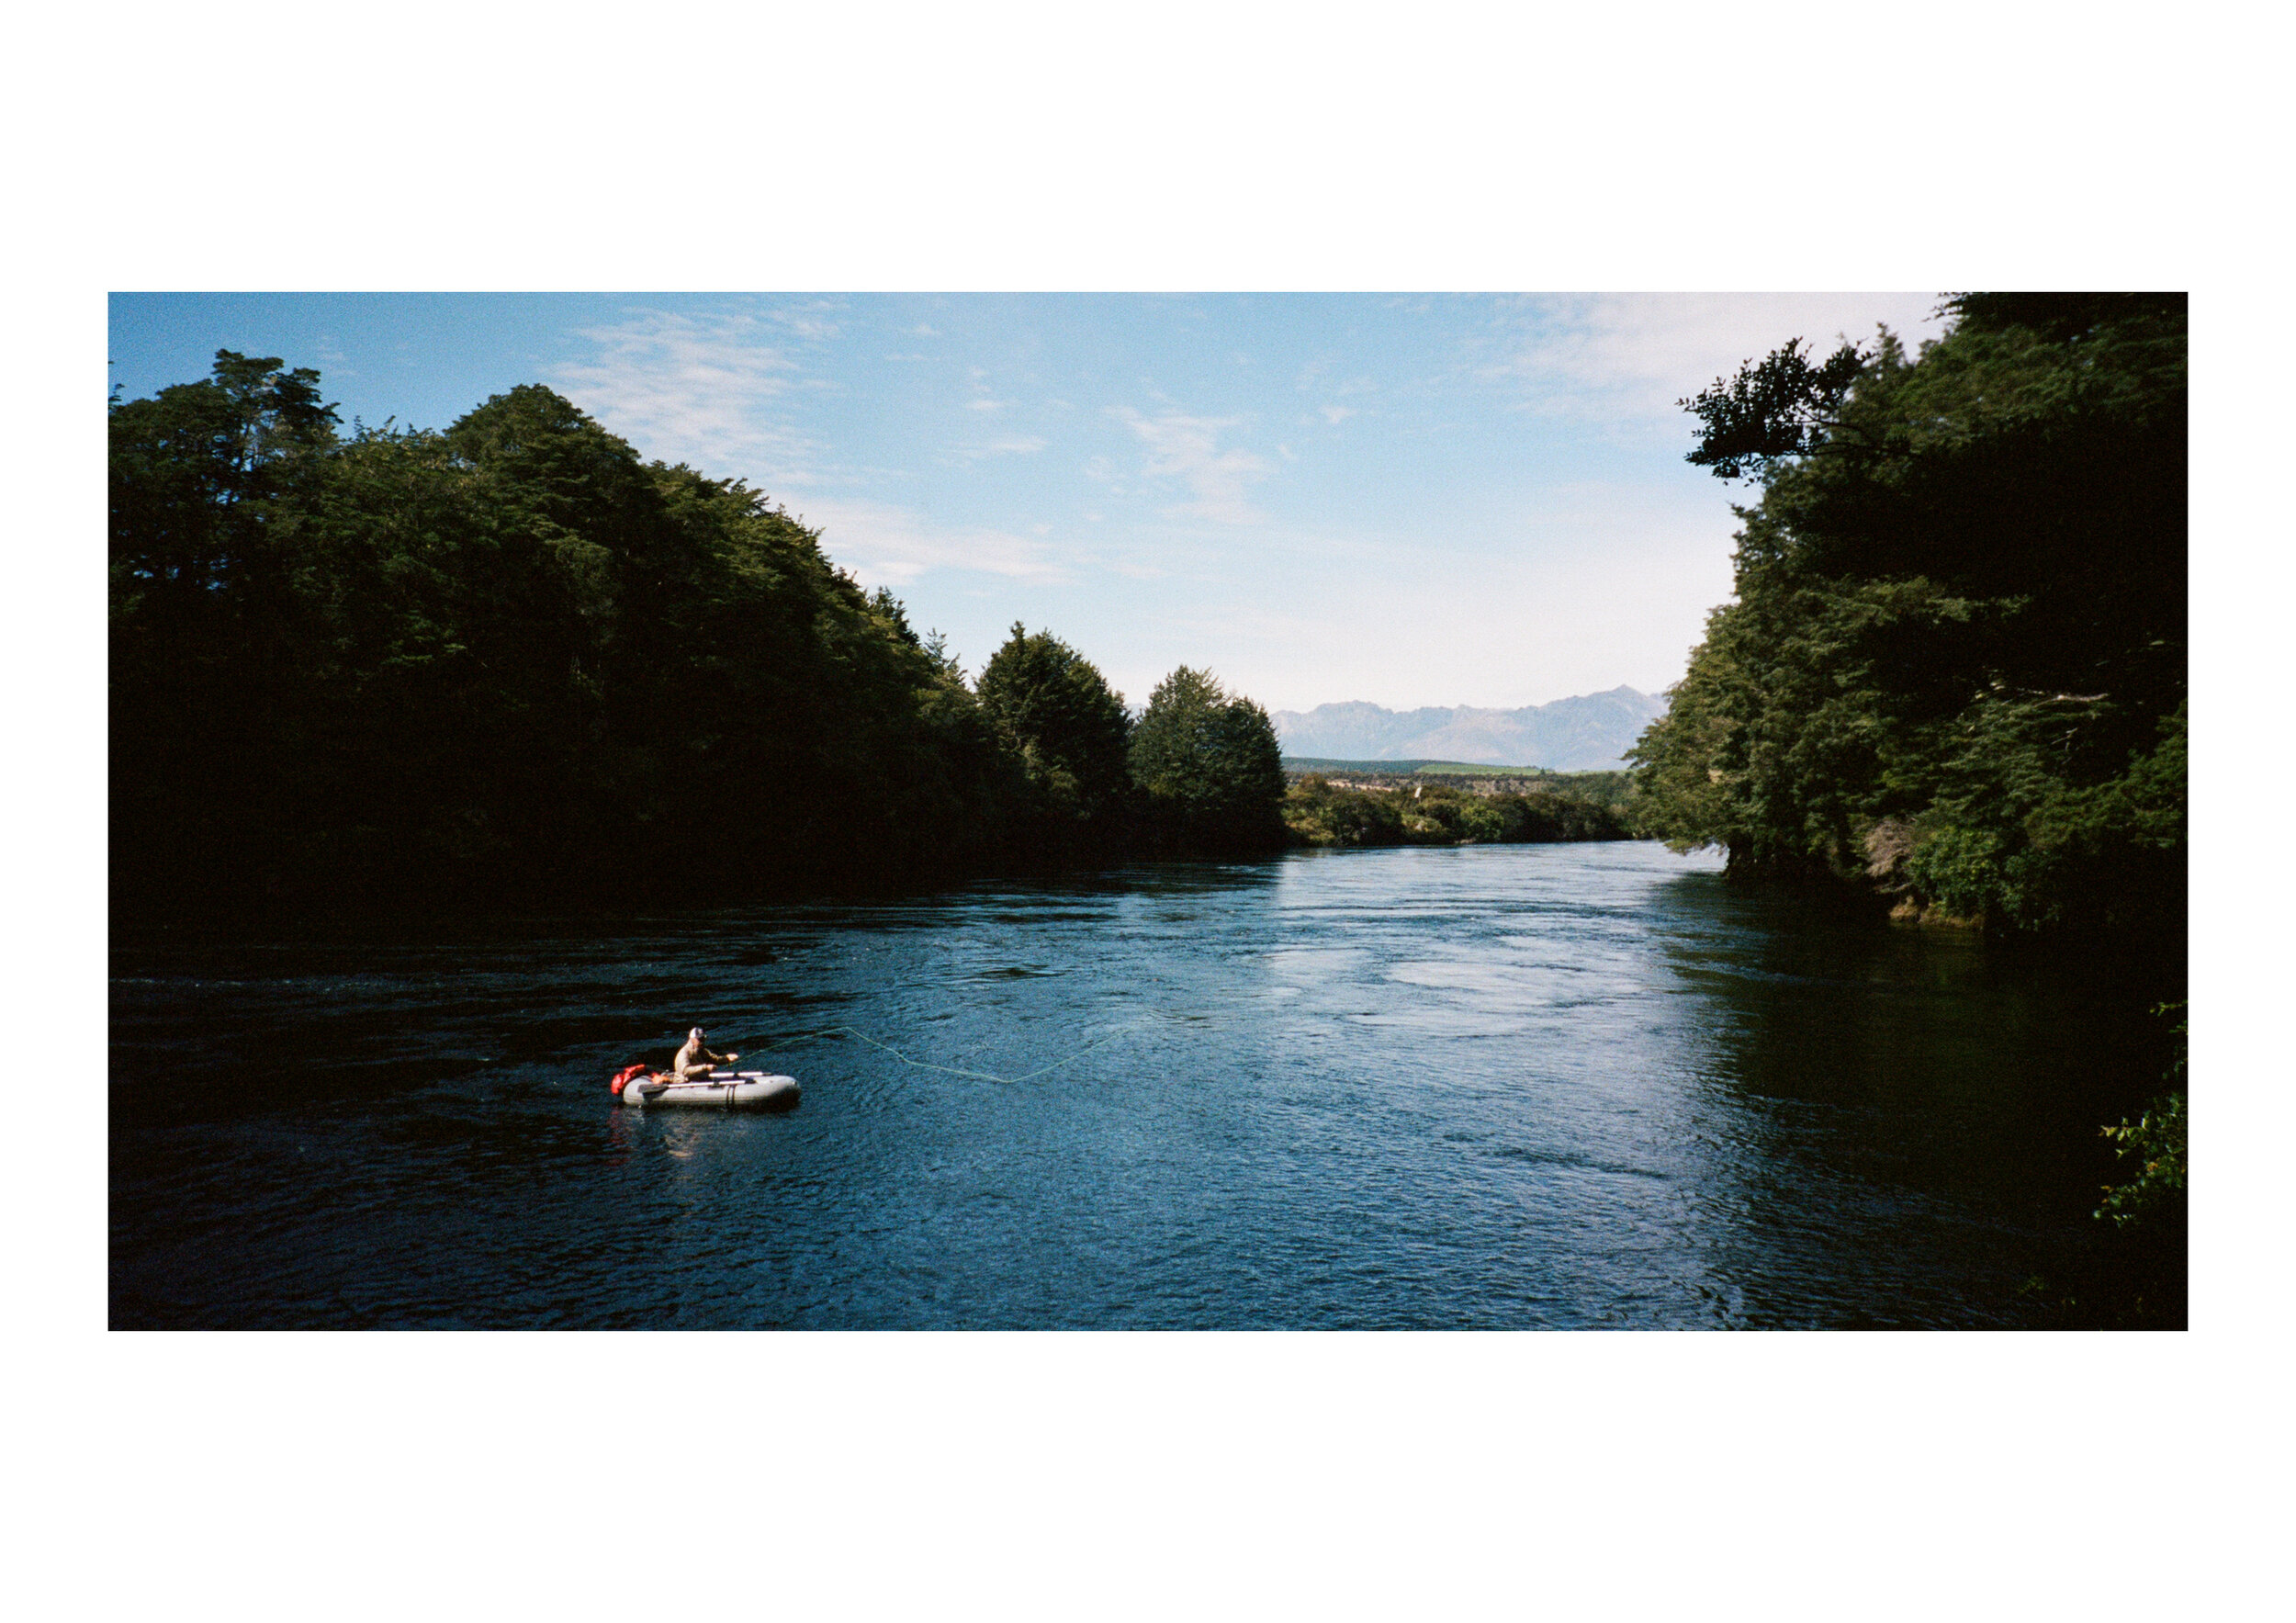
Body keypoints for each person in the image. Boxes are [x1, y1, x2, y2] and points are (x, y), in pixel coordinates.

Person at [672, 1027, 736, 1081]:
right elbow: (686, 1071)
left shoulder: (702, 1051)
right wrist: (705, 1067)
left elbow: (714, 1059)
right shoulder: (684, 1053)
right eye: (700, 1039)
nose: (702, 1042)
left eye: (703, 1039)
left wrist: (727, 1058)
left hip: (698, 1080)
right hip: (685, 1083)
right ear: (692, 1039)